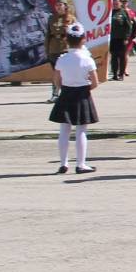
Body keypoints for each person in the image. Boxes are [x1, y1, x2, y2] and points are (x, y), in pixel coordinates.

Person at [49, 23, 99, 174]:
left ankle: (63, 164)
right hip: (82, 94)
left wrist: (65, 88)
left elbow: (56, 81)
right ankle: (80, 164)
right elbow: (95, 82)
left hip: (66, 94)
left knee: (64, 129)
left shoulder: (62, 59)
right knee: (81, 130)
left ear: (66, 40)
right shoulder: (87, 60)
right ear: (83, 39)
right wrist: (84, 88)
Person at [44, 0, 71, 102]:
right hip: (54, 48)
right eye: (57, 5)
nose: (58, 7)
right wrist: (47, 48)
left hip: (66, 48)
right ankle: (55, 94)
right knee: (56, 73)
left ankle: (66, 95)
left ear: (65, 6)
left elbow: (76, 34)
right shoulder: (51, 18)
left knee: (66, 74)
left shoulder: (71, 18)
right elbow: (48, 35)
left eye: (60, 5)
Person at [109, 0, 136, 80]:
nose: (115, 5)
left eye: (117, 3)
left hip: (122, 38)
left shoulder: (124, 12)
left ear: (120, 3)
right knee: (114, 57)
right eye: (114, 3)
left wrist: (126, 38)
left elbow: (129, 26)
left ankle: (121, 74)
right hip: (113, 38)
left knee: (122, 57)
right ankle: (114, 74)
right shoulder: (110, 13)